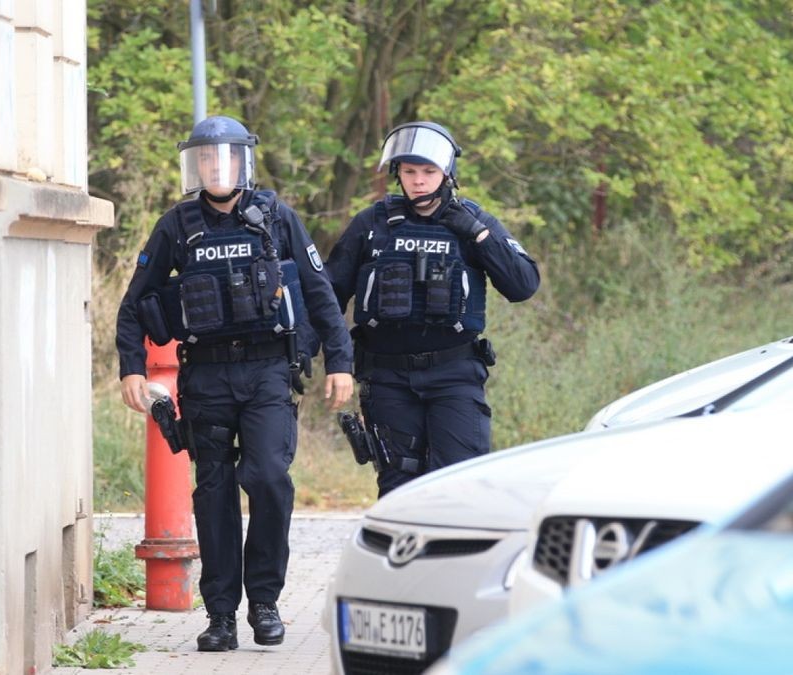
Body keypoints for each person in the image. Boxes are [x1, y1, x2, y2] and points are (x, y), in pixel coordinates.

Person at [115, 115, 354, 652]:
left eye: (224, 157)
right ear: (195, 165)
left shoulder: (275, 217)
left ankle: (264, 601)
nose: (215, 167)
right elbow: (134, 305)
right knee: (214, 492)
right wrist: (131, 366)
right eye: (205, 158)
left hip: (268, 371)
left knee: (269, 477)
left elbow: (319, 292)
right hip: (207, 375)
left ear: (243, 161)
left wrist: (341, 360)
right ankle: (221, 614)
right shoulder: (177, 226)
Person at [326, 121, 540, 497]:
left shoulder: (474, 222)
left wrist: (478, 234)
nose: (419, 181)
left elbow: (523, 285)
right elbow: (329, 295)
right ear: (398, 174)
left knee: (458, 484)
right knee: (398, 487)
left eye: (428, 172)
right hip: (388, 377)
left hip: (454, 375)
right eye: (409, 172)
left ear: (446, 173)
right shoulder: (371, 224)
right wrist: (332, 361)